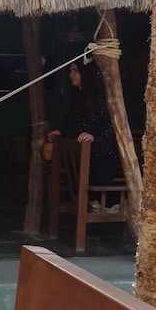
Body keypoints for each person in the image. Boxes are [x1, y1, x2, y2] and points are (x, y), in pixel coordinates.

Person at [47, 60, 120, 203]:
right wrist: (62, 133)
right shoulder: (76, 96)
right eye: (71, 71)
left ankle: (102, 203)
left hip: (100, 157)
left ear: (85, 73)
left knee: (97, 192)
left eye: (75, 70)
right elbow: (77, 127)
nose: (71, 75)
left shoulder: (99, 96)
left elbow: (111, 127)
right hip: (80, 158)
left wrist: (93, 136)